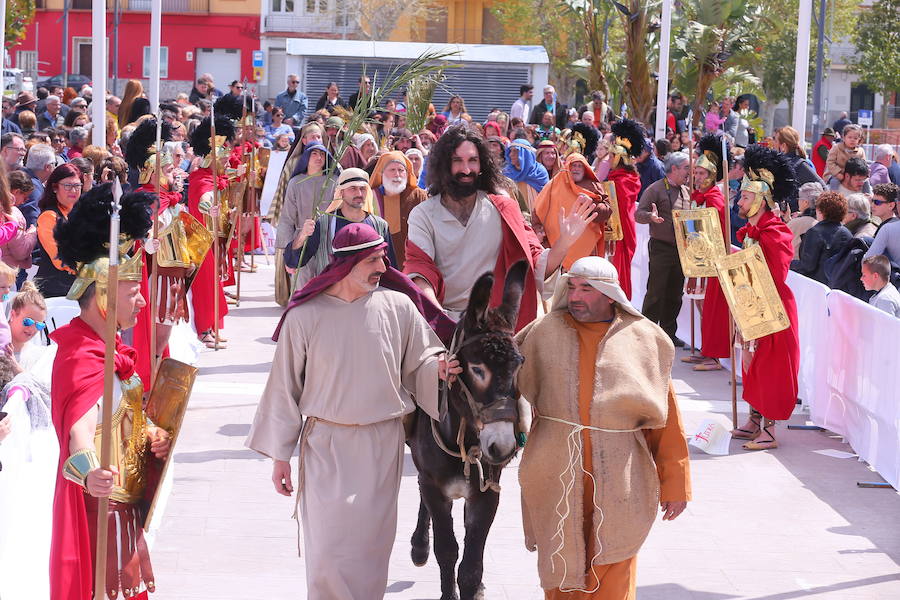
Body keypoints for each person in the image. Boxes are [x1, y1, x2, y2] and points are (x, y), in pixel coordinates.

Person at [246, 222, 455, 600]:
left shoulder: (398, 306)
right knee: (327, 550)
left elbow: (421, 359)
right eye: (374, 260)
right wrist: (280, 456)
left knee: (370, 549)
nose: (382, 267)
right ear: (348, 263)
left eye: (383, 258)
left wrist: (437, 369)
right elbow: (283, 388)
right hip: (326, 444)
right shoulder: (305, 316)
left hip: (382, 441)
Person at [515, 255, 690, 599]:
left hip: (621, 474)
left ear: (610, 294)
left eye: (587, 288)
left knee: (614, 559)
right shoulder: (542, 333)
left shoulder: (642, 339)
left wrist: (676, 483)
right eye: (572, 287)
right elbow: (501, 384)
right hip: (555, 470)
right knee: (561, 564)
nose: (576, 296)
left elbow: (665, 419)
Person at [49, 184, 171, 600]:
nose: (141, 303)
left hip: (124, 511)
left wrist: (153, 432)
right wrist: (90, 472)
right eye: (133, 291)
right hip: (101, 511)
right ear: (103, 294)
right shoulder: (80, 357)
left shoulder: (111, 350)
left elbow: (122, 414)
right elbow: (78, 430)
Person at [404, 125, 598, 330]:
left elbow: (535, 264)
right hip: (443, 320)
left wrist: (564, 242)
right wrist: (440, 322)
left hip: (497, 325)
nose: (467, 170)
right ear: (444, 165)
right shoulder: (423, 214)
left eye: (473, 161)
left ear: (482, 166)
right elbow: (419, 269)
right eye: (457, 161)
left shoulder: (503, 208)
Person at [732, 144, 801, 450]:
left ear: (761, 199)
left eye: (746, 196)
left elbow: (774, 275)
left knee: (769, 368)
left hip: (773, 309)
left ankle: (770, 431)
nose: (740, 199)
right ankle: (754, 420)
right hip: (751, 305)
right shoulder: (750, 230)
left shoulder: (776, 232)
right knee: (750, 364)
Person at [0, 281, 56, 600]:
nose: (33, 329)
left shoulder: (34, 352)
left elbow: (38, 387)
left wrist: (17, 367)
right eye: (27, 322)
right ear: (13, 314)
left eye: (38, 324)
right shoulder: (3, 341)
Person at [286, 167, 396, 278]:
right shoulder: (324, 224)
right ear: (341, 193)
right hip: (331, 292)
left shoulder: (380, 226)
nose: (359, 193)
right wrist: (302, 235)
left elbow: (390, 269)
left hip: (369, 293)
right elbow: (294, 262)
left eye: (362, 189)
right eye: (353, 188)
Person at [685, 133, 731, 372]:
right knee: (699, 303)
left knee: (708, 306)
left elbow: (715, 227)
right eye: (696, 173)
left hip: (711, 259)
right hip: (697, 256)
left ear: (712, 175)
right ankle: (705, 349)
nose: (698, 176)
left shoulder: (714, 197)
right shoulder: (697, 196)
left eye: (702, 173)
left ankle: (713, 355)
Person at [635, 151, 691, 345]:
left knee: (675, 294)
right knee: (656, 292)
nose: (689, 172)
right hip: (661, 248)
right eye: (686, 168)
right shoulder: (656, 189)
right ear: (673, 168)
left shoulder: (685, 191)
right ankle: (646, 333)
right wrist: (650, 217)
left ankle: (668, 334)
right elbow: (638, 214)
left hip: (680, 250)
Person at [187, 116, 234, 348]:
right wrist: (209, 206)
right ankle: (204, 329)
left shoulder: (213, 176)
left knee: (212, 283)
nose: (226, 162)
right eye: (222, 159)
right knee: (204, 286)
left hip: (212, 235)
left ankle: (212, 327)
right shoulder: (201, 180)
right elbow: (203, 198)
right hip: (200, 238)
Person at [532, 153, 613, 267]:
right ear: (566, 168)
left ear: (585, 169)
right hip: (556, 246)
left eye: (580, 166)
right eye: (573, 165)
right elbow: (538, 210)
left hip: (586, 250)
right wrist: (538, 229)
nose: (576, 169)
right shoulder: (553, 185)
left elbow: (607, 211)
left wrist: (591, 204)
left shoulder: (594, 186)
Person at [277, 143, 338, 290]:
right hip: (302, 239)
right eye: (314, 154)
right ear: (306, 157)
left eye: (322, 154)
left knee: (328, 289)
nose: (319, 157)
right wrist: (289, 254)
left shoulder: (334, 182)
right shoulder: (295, 183)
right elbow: (287, 218)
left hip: (328, 240)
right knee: (302, 288)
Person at [600, 119, 645, 299]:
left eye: (611, 156)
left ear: (619, 158)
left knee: (618, 271)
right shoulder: (618, 177)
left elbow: (619, 208)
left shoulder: (623, 180)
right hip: (615, 230)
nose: (608, 159)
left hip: (621, 232)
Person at [368, 151, 426, 268]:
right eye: (392, 170)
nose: (397, 174)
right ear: (382, 173)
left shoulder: (418, 196)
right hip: (379, 264)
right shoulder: (371, 196)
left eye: (401, 170)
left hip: (413, 263)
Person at [34, 164, 84, 298]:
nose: (73, 190)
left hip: (79, 287)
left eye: (77, 185)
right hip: (54, 291)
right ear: (55, 187)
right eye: (68, 186)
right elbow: (60, 259)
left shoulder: (80, 213)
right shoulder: (49, 216)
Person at [790, 191, 852, 283]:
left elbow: (807, 266)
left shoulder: (815, 232)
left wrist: (788, 263)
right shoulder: (848, 234)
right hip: (837, 286)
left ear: (820, 211)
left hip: (816, 286)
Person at [503, 138, 549, 213]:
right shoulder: (507, 173)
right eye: (511, 151)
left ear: (525, 154)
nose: (511, 154)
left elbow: (547, 198)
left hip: (537, 217)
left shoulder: (539, 172)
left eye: (515, 151)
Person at [787, 182, 825, 259]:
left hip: (793, 267)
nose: (798, 201)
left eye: (799, 198)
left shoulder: (796, 223)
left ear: (805, 202)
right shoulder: (825, 222)